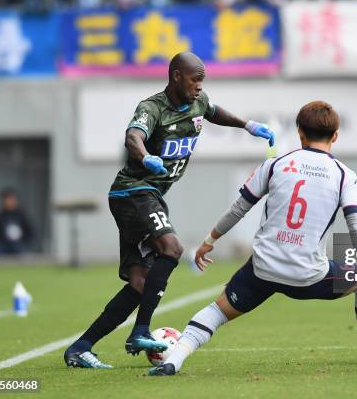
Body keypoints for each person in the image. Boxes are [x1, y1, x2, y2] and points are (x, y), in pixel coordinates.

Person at [149, 101, 357, 376]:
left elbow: (239, 208)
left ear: (299, 132)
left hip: (263, 270)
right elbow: (356, 226)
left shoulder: (275, 165)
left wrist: (209, 241)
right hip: (309, 276)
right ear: (335, 136)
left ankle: (173, 360)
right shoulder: (345, 175)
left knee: (217, 310)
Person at [63, 51, 276, 369]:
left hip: (151, 196)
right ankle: (140, 331)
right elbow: (133, 135)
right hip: (133, 192)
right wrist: (144, 154)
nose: (200, 87)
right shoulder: (152, 108)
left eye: (203, 81)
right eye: (195, 80)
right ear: (176, 76)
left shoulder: (198, 103)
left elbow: (214, 112)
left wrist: (247, 125)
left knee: (139, 285)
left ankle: (80, 348)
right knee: (172, 248)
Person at [0, 188, 34, 255]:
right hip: (2, 244)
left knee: (20, 249)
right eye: (8, 199)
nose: (10, 201)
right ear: (3, 201)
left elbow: (30, 233)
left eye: (12, 199)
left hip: (18, 244)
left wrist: (23, 240)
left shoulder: (22, 216)